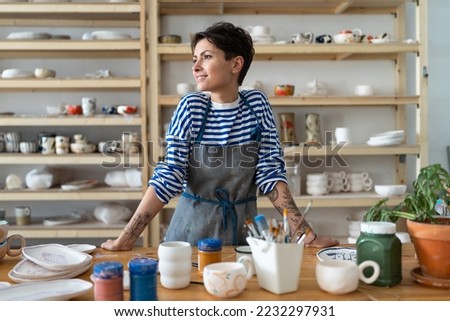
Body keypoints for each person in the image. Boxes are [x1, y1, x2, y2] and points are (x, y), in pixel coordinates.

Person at [101, 21, 339, 251]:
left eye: (206, 57)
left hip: (244, 236)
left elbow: (270, 174)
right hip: (190, 237)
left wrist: (306, 234)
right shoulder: (191, 106)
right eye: (195, 59)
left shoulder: (257, 106)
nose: (195, 67)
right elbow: (169, 175)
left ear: (235, 65)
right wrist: (127, 238)